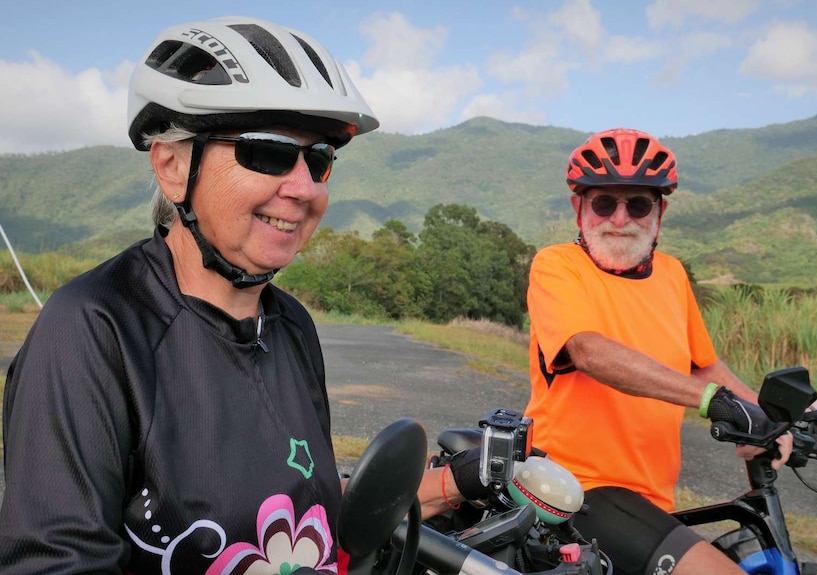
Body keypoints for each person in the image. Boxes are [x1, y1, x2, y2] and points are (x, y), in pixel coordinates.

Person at [0, 16, 476, 574]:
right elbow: (57, 563)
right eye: (267, 152)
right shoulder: (92, 328)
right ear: (173, 166)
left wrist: (455, 484)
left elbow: (308, 507)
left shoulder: (291, 324)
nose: (304, 188)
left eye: (319, 159)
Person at [523, 128, 793, 575]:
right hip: (575, 486)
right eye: (605, 202)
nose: (620, 218)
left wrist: (774, 414)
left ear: (660, 212)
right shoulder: (557, 265)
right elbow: (588, 351)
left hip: (652, 498)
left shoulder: (671, 275)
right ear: (579, 208)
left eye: (639, 204)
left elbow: (705, 365)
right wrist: (711, 402)